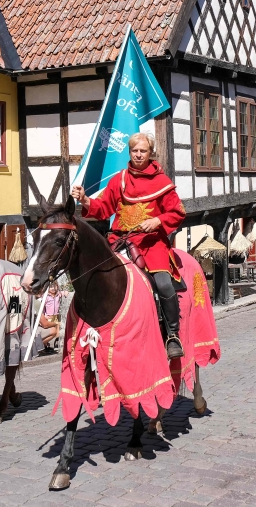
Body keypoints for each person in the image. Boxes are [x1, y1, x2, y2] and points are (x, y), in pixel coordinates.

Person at [72, 133, 187, 359]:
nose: (138, 155)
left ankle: (173, 335)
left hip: (151, 243)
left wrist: (157, 221)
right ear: (130, 151)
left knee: (163, 283)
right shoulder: (120, 179)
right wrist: (85, 200)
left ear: (150, 153)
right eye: (135, 150)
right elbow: (103, 208)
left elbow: (177, 212)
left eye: (143, 151)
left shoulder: (162, 183)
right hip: (120, 240)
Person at [38, 282, 62, 354]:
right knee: (53, 330)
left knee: (57, 329)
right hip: (48, 316)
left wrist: (65, 292)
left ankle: (56, 342)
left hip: (56, 315)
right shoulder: (46, 296)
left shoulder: (58, 294)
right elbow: (42, 307)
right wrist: (44, 315)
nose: (53, 288)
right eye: (51, 287)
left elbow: (62, 293)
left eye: (55, 286)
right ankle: (43, 345)